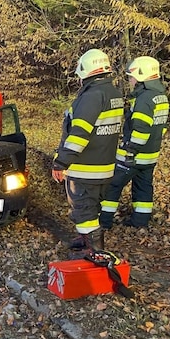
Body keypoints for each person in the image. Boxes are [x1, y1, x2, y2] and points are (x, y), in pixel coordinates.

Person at [52, 49, 124, 255]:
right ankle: (86, 240)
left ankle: (95, 254)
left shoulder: (92, 96)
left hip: (86, 167)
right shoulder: (114, 94)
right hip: (104, 164)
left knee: (84, 210)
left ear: (86, 72)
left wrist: (61, 162)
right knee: (92, 207)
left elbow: (79, 135)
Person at [99, 56, 169, 230]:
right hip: (151, 155)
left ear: (141, 76)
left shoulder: (145, 99)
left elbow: (141, 129)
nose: (130, 80)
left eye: (131, 76)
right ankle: (140, 222)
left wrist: (130, 149)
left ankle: (104, 222)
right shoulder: (161, 96)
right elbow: (162, 128)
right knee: (143, 188)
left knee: (113, 185)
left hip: (134, 155)